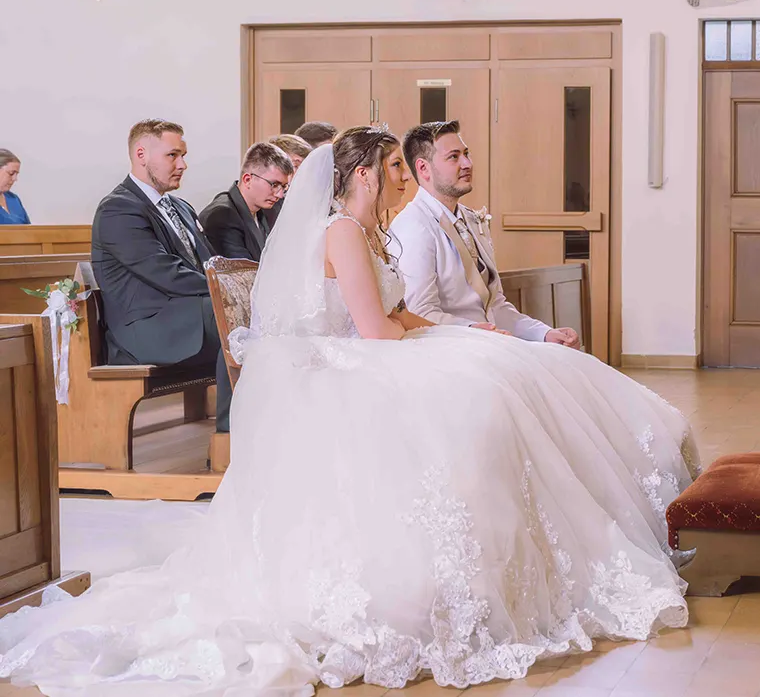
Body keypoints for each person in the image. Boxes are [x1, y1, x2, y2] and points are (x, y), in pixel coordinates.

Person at [0, 127, 698, 693]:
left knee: (506, 370)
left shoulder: (367, 232)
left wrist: (450, 331)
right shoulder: (339, 232)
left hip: (377, 347)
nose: (401, 174)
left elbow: (395, 316)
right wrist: (445, 335)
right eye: (393, 164)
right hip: (352, 365)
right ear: (362, 174)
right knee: (482, 389)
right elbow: (376, 331)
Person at [90, 119, 233, 431]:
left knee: (247, 315)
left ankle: (256, 428)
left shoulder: (179, 206)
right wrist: (229, 291)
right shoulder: (118, 209)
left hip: (183, 314)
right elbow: (167, 274)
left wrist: (235, 283)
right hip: (149, 327)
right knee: (235, 317)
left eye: (183, 155)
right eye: (173, 155)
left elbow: (209, 263)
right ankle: (230, 436)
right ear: (141, 154)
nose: (183, 164)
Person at [389, 122, 580, 346]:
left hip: (489, 343)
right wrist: (477, 332)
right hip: (452, 349)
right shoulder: (413, 226)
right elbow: (420, 314)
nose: (467, 163)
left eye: (466, 154)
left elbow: (495, 306)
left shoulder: (470, 219)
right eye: (454, 157)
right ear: (423, 168)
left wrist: (544, 333)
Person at [199, 142, 292, 261]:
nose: (279, 194)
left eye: (283, 187)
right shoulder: (222, 216)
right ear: (247, 179)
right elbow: (243, 273)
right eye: (274, 185)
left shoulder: (267, 209)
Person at [0, 149, 30, 225]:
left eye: (16, 174)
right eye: (11, 173)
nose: (15, 179)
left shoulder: (13, 199)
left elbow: (29, 231)